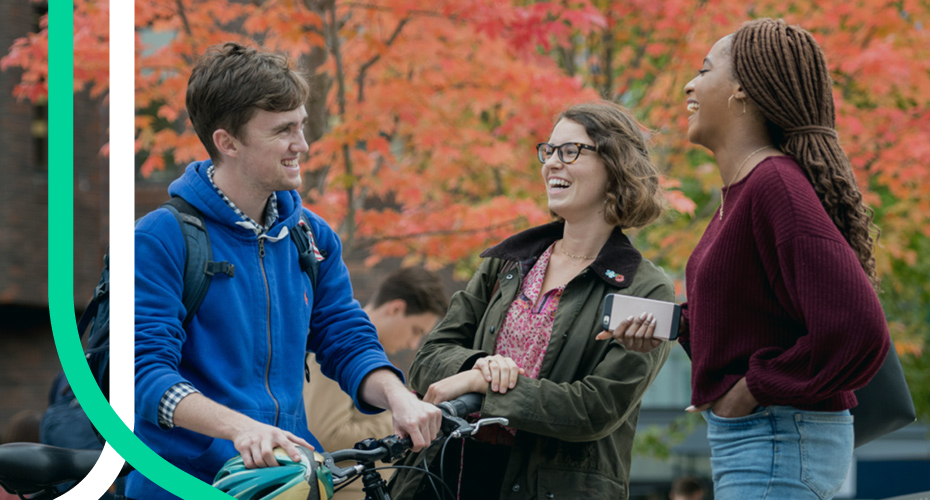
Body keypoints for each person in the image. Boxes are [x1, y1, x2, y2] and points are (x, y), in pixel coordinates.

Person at [131, 42, 441, 499]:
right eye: (282, 131)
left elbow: (346, 338)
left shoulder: (312, 237)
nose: (302, 145)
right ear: (227, 142)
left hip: (291, 480)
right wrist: (241, 428)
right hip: (187, 485)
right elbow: (143, 374)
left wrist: (397, 395)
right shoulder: (160, 239)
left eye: (301, 125)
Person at [610, 18, 890, 500]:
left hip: (776, 434)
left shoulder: (773, 185)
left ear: (742, 90)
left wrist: (751, 390)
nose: (688, 84)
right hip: (761, 435)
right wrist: (670, 326)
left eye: (704, 69)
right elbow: (754, 322)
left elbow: (860, 329)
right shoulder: (742, 194)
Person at [388, 101, 675, 499]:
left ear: (616, 166)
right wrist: (477, 366)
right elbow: (429, 356)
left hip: (552, 487)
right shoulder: (506, 263)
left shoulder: (644, 287)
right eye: (549, 151)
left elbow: (596, 409)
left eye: (571, 151)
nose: (553, 163)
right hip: (450, 472)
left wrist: (485, 388)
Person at [303, 267, 448, 500]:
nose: (413, 343)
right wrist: (401, 422)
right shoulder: (341, 354)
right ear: (396, 308)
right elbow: (324, 434)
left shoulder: (367, 356)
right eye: (416, 330)